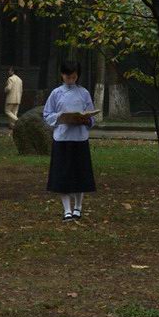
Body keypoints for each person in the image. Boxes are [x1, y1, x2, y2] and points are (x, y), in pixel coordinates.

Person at [43, 61, 96, 222]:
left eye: (73, 77)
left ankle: (78, 208)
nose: (71, 80)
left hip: (79, 139)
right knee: (63, 175)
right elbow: (47, 114)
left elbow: (92, 115)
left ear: (77, 76)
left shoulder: (84, 93)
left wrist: (87, 120)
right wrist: (60, 117)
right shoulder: (56, 93)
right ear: (62, 75)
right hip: (63, 139)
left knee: (80, 175)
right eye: (68, 77)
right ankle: (67, 209)